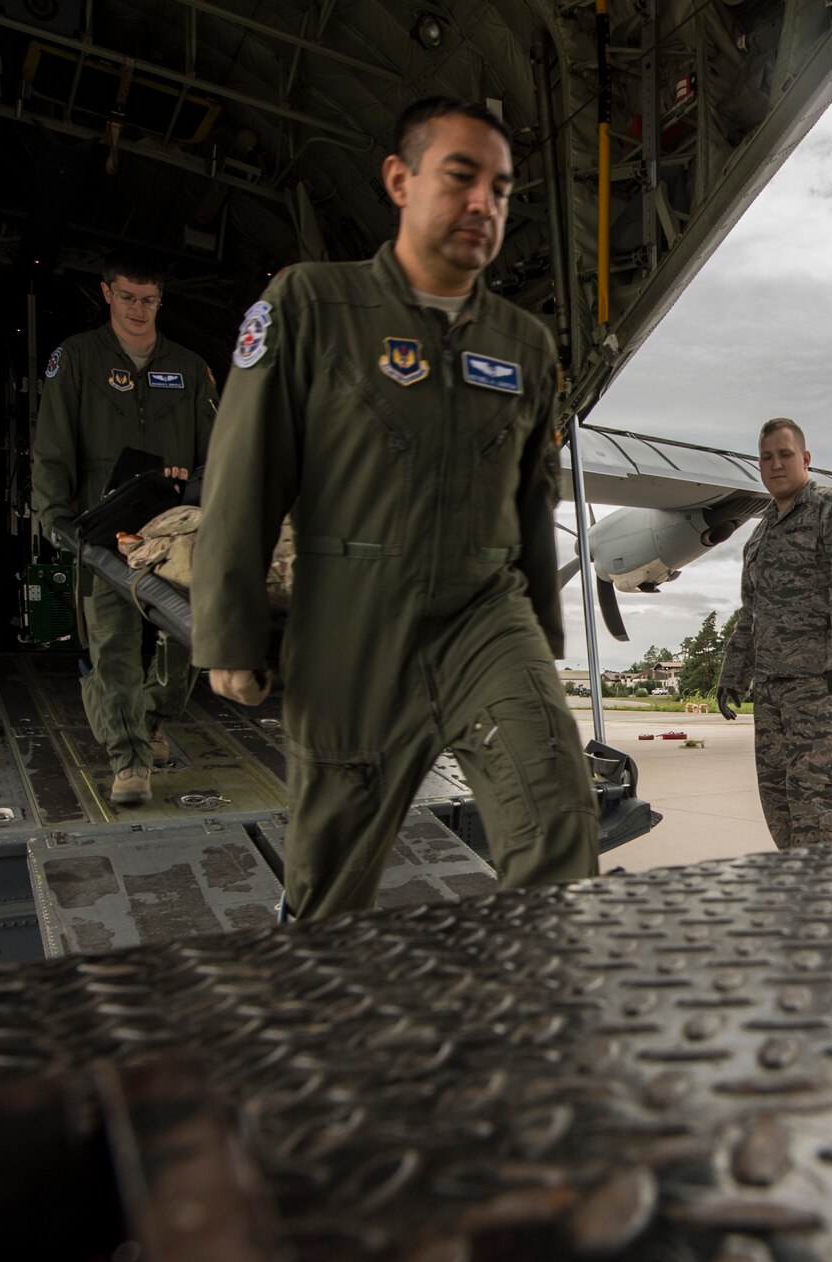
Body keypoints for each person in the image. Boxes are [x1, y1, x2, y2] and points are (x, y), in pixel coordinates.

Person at [191, 97, 599, 920]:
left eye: (500, 189)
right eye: (460, 177)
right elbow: (243, 474)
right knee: (331, 889)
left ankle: (541, 997)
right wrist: (229, 633)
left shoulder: (523, 343)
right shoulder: (311, 304)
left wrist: (540, 642)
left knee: (557, 814)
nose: (484, 203)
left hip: (485, 614)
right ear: (399, 181)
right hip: (353, 616)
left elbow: (533, 497)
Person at [31, 256, 217, 805]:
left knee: (186, 639)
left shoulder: (189, 368)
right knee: (112, 643)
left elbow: (217, 450)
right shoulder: (77, 358)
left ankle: (152, 719)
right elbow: (53, 443)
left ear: (161, 301)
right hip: (104, 525)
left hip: (172, 528)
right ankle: (129, 759)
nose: (139, 309)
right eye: (129, 297)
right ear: (107, 294)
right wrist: (53, 515)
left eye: (149, 300)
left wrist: (209, 499)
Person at [716, 417, 832, 848]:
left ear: (805, 459)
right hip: (771, 691)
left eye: (785, 455)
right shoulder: (760, 534)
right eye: (766, 457)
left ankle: (823, 888)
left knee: (814, 804)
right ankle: (798, 885)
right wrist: (733, 675)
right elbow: (751, 613)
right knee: (778, 804)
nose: (775, 464)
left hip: (819, 687)